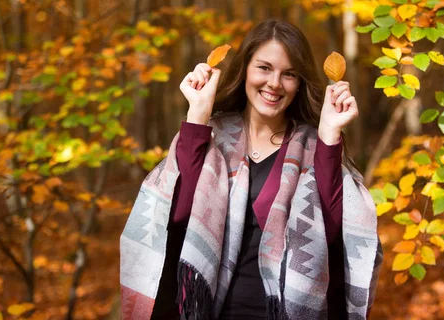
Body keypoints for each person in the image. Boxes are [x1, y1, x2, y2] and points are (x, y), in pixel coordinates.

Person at [120, 20, 382, 320]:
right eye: (264, 68)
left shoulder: (314, 145)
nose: (274, 83)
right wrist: (197, 115)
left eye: (289, 74)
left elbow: (335, 232)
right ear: (245, 69)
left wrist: (330, 135)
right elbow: (175, 216)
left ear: (299, 83)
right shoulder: (212, 135)